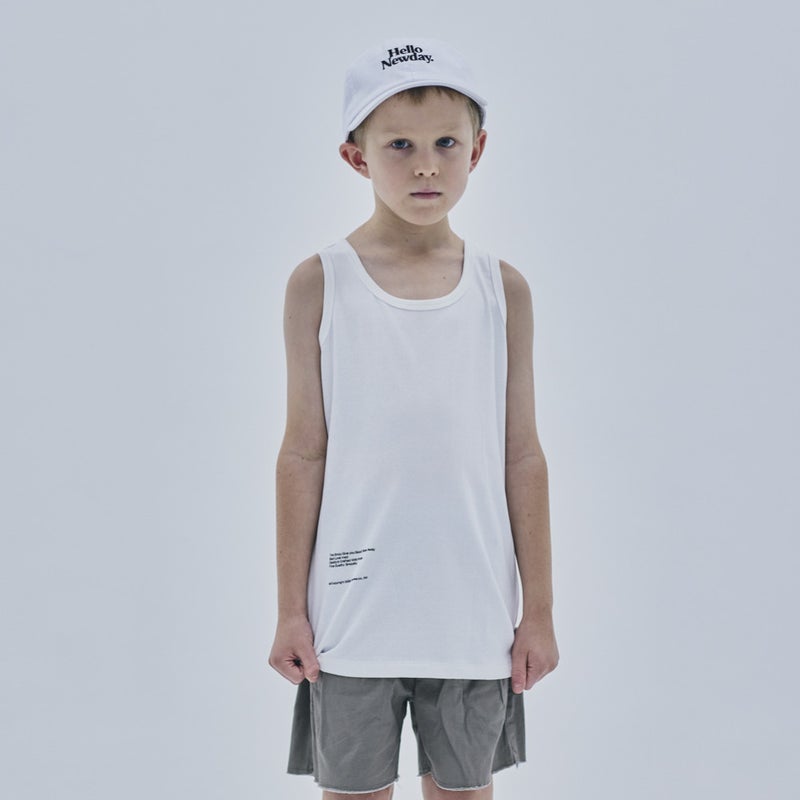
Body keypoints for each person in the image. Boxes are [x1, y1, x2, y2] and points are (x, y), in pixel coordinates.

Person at [268, 37, 559, 800]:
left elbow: (522, 456)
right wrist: (290, 610)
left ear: (477, 150)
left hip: (473, 619)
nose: (426, 166)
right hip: (351, 618)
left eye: (445, 144)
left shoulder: (503, 291)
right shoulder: (319, 283)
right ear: (356, 157)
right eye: (399, 145)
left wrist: (539, 612)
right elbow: (303, 453)